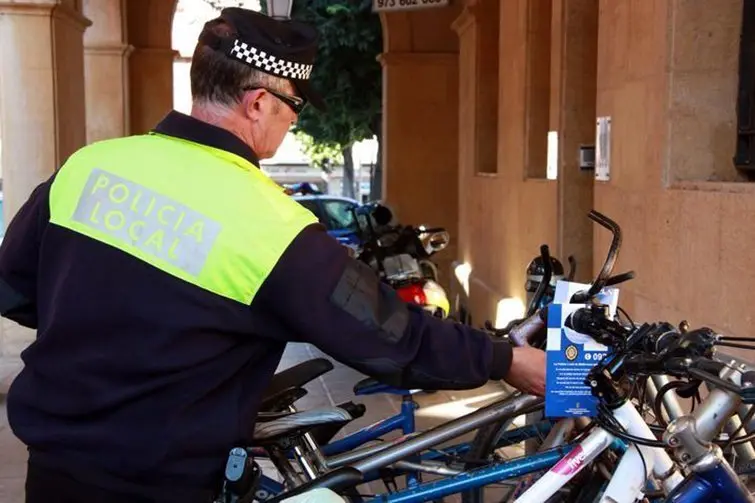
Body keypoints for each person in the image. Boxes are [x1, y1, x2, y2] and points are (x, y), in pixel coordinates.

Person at [0, 7, 546, 503]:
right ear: (258, 101)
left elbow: (15, 287)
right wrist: (507, 359)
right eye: (295, 106)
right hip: (165, 484)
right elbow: (392, 338)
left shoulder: (89, 167)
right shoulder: (265, 221)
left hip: (54, 473)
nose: (294, 121)